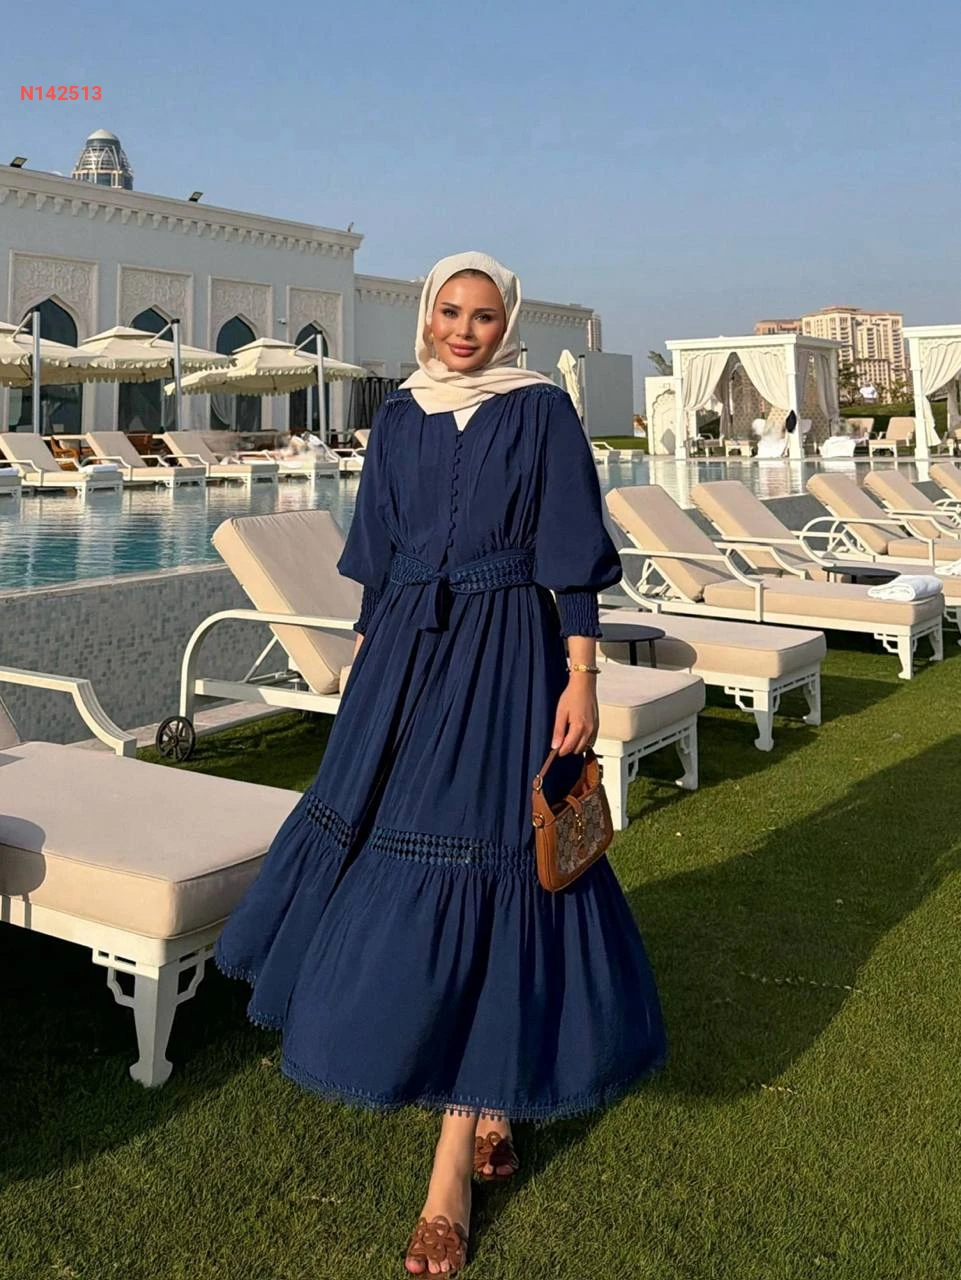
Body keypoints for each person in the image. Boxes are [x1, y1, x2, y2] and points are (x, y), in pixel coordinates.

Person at [215, 251, 667, 1275]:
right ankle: (485, 1089)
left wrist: (582, 675)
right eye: (450, 312)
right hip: (402, 663)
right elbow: (376, 558)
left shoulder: (539, 409)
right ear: (426, 318)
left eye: (483, 315)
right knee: (392, 859)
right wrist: (364, 673)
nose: (464, 330)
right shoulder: (397, 417)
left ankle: (449, 1172)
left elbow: (570, 551)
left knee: (494, 864)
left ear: (506, 325)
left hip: (507, 656)